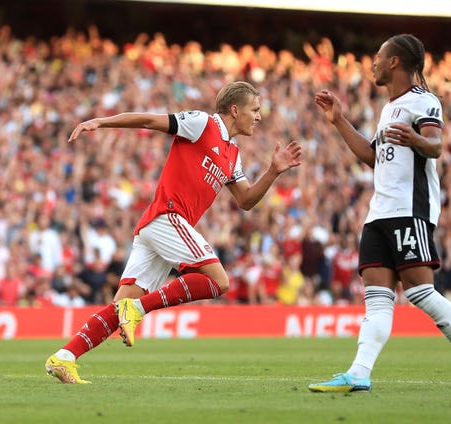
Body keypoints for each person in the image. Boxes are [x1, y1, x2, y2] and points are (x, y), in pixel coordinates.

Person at [45, 81, 302, 384]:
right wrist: (101, 121)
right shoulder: (203, 123)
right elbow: (148, 120)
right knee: (218, 281)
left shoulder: (233, 155)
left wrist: (273, 171)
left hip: (161, 229)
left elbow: (246, 201)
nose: (259, 116)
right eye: (254, 109)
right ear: (235, 109)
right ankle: (138, 308)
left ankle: (63, 358)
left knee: (117, 309)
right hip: (167, 217)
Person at [308, 34, 451, 394]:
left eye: (378, 57)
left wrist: (416, 140)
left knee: (422, 293)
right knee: (377, 298)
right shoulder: (388, 108)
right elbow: (372, 156)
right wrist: (339, 120)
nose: (374, 63)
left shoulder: (424, 101)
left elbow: (436, 146)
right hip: (379, 212)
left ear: (394, 62)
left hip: (409, 211)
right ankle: (359, 373)